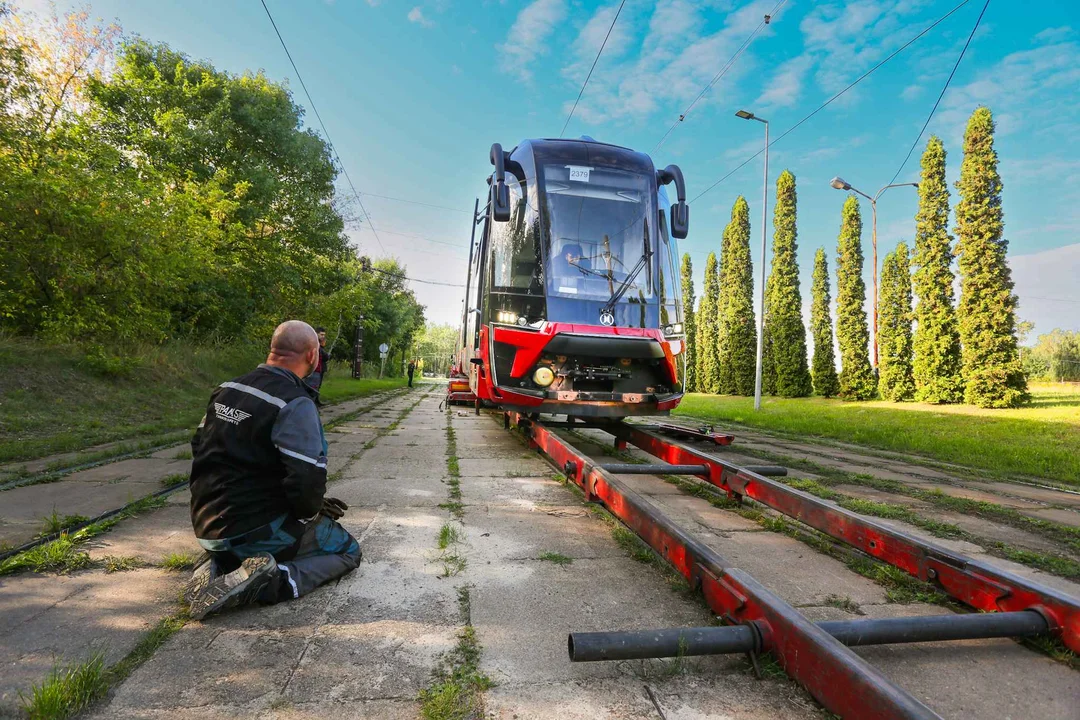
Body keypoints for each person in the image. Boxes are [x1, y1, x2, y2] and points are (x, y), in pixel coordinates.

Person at [184, 320, 361, 620]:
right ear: (312, 357)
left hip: (204, 522)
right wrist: (311, 513)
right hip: (253, 531)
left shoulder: (227, 389)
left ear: (272, 349)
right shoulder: (295, 403)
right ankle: (274, 579)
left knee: (254, 526)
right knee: (347, 550)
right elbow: (306, 483)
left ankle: (221, 561)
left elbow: (199, 447)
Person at [306, 327, 330, 393]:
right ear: (316, 334)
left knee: (317, 386)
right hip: (314, 369)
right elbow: (323, 355)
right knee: (313, 387)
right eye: (321, 335)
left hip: (319, 368)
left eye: (324, 335)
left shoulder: (319, 344)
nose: (323, 337)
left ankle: (316, 399)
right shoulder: (314, 343)